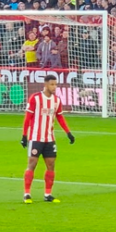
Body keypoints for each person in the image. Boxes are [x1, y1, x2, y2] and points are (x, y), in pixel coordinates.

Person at [21, 74, 75, 204]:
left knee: (51, 165)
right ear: (45, 85)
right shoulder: (36, 98)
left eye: (55, 84)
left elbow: (60, 117)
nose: (54, 87)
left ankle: (47, 194)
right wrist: (24, 135)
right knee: (32, 164)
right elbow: (27, 117)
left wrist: (68, 133)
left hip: (50, 139)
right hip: (36, 137)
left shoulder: (56, 100)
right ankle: (27, 194)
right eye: (52, 84)